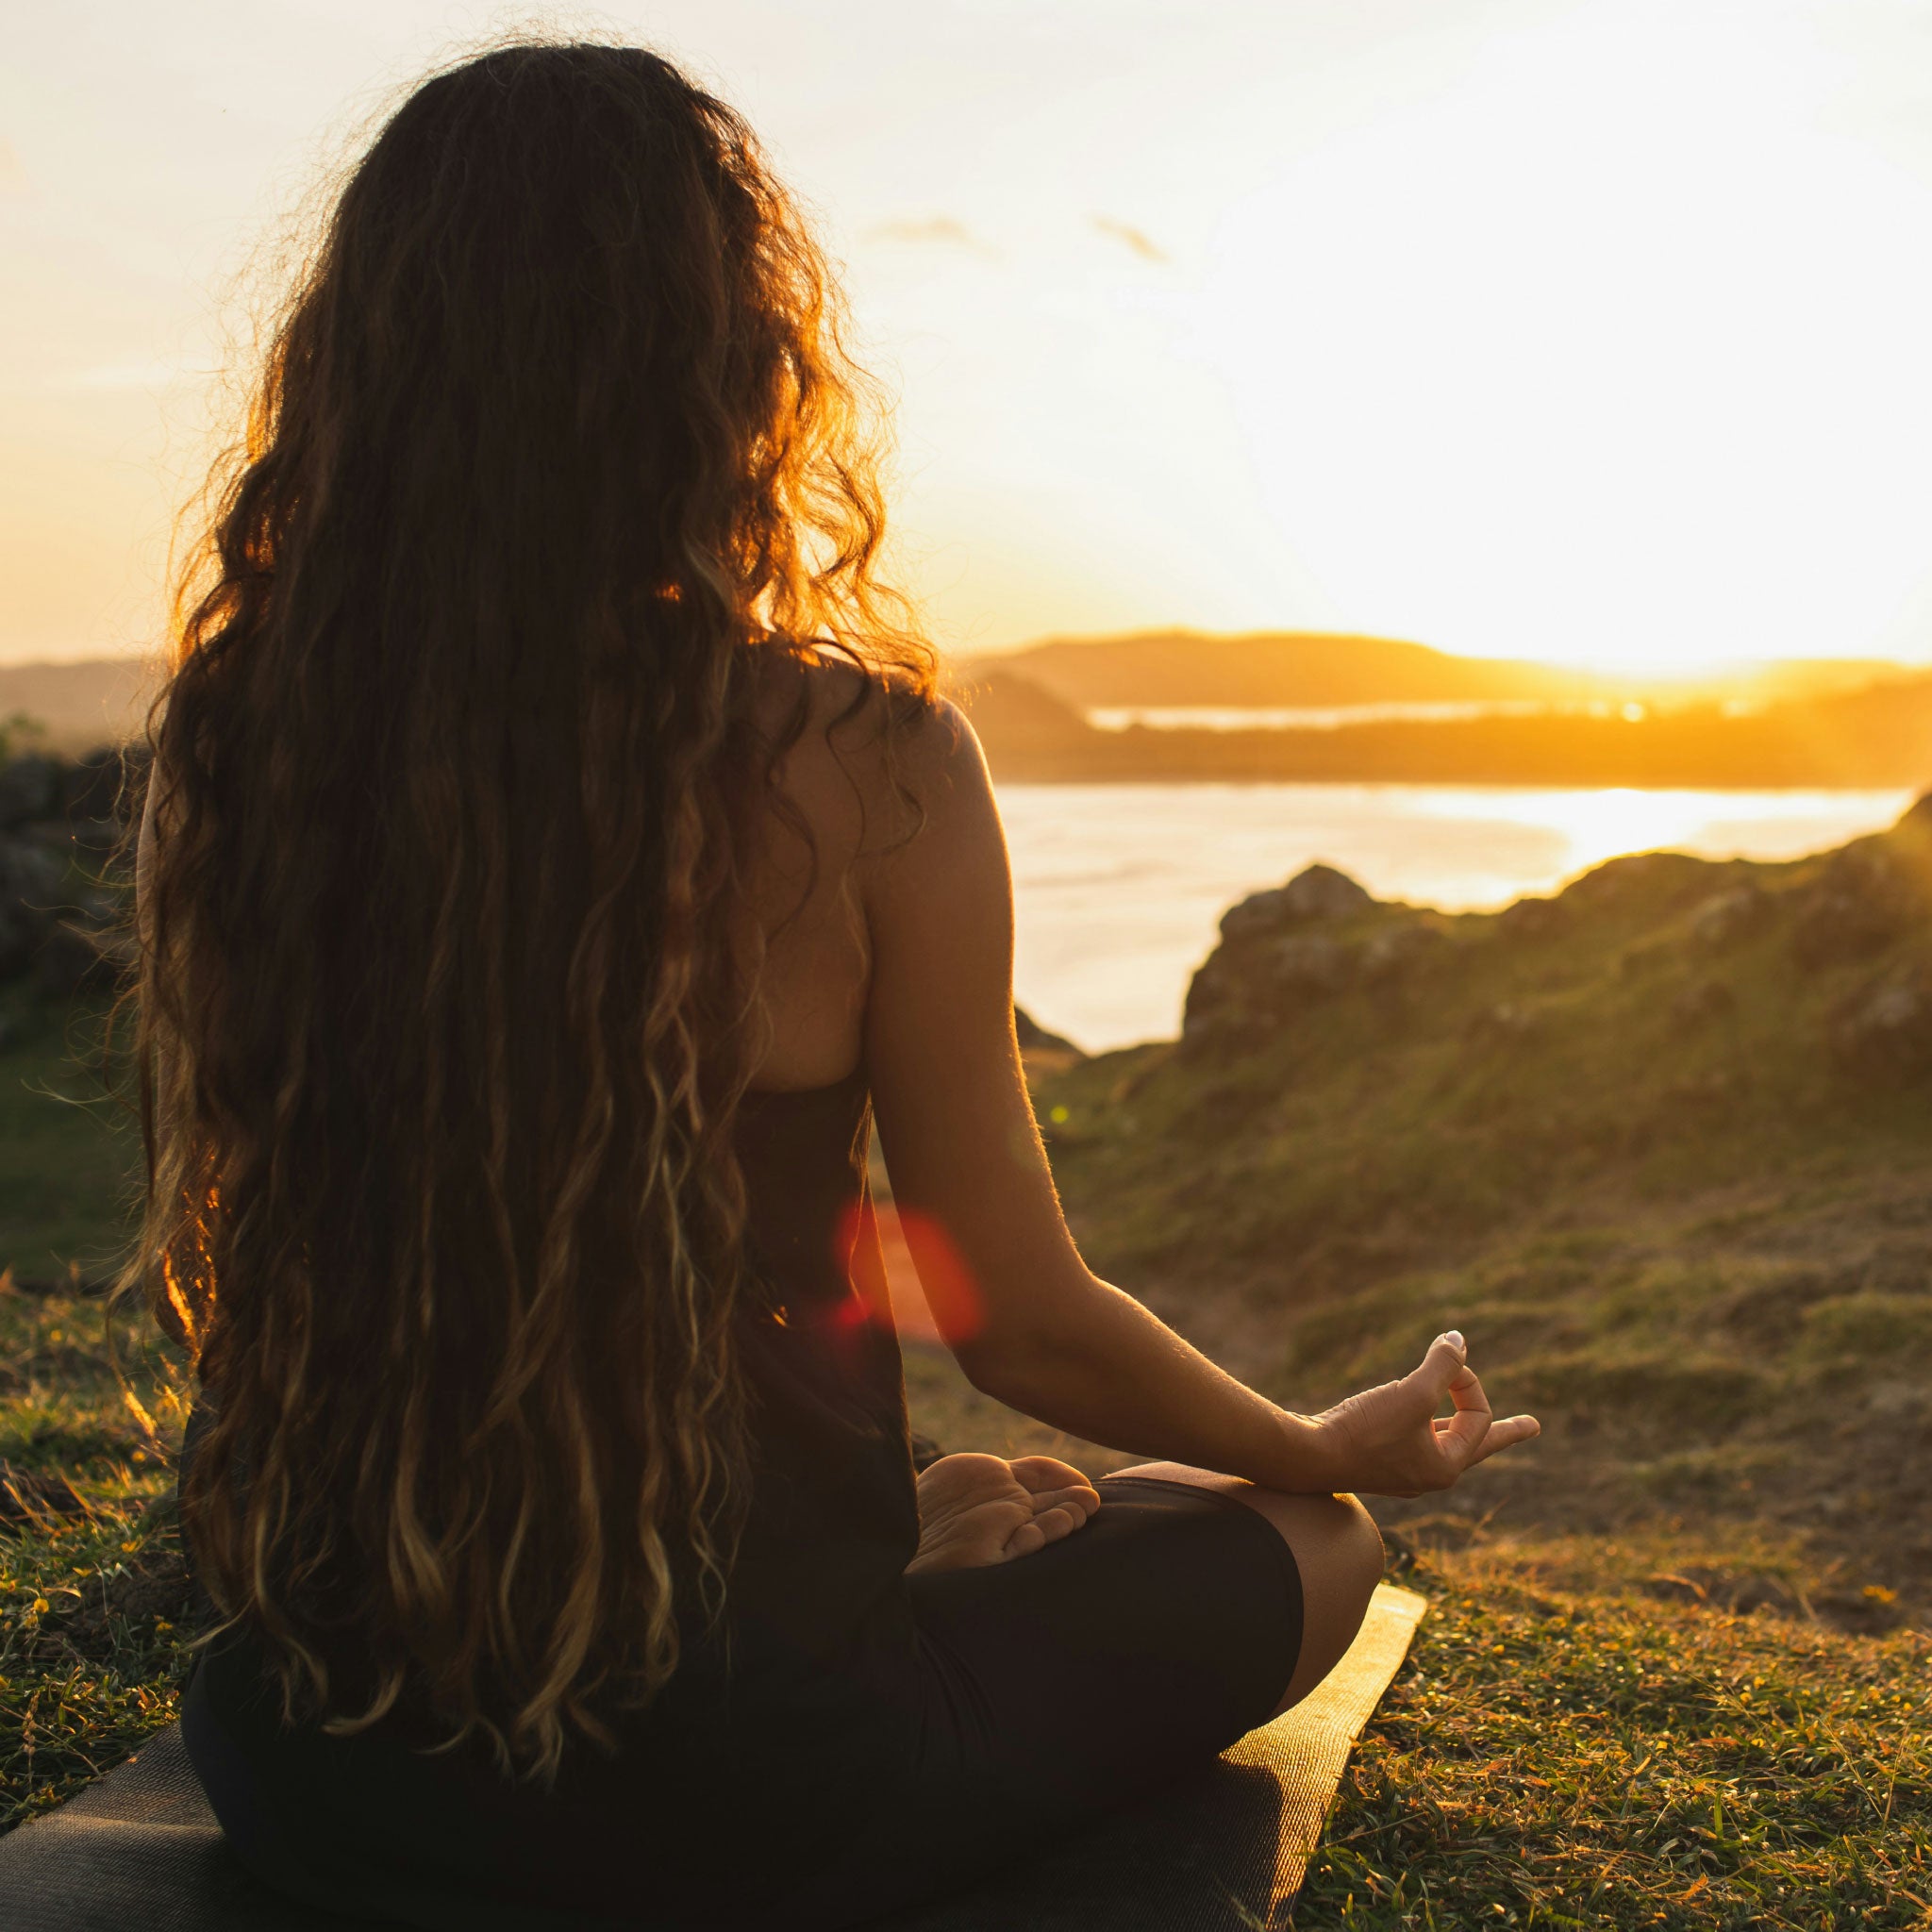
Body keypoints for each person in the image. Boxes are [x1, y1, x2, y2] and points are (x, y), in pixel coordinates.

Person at [128, 40, 1539, 1930]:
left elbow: (282, 1282)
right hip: (749, 1779)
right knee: (1309, 1550)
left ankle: (884, 1575)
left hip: (339, 1758)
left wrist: (882, 1533)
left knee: (997, 1519)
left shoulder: (237, 748)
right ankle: (893, 1602)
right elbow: (1017, 1321)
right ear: (726, 368)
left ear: (370, 370)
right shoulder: (863, 767)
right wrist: (1308, 1444)